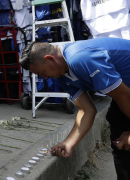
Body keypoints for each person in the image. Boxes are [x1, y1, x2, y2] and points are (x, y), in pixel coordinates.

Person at [19, 38, 130, 179]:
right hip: (126, 93)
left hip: (126, 94)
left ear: (50, 59)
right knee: (119, 136)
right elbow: (86, 110)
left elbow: (124, 96)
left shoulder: (80, 58)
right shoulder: (60, 76)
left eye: (42, 72)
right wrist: (69, 142)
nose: (44, 78)